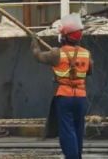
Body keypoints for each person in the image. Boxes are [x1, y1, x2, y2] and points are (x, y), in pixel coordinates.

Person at [31, 13, 93, 159]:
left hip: (64, 97)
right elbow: (89, 71)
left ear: (64, 37)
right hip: (81, 98)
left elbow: (38, 56)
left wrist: (34, 41)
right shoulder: (86, 54)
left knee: (67, 131)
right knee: (78, 130)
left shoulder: (56, 53)